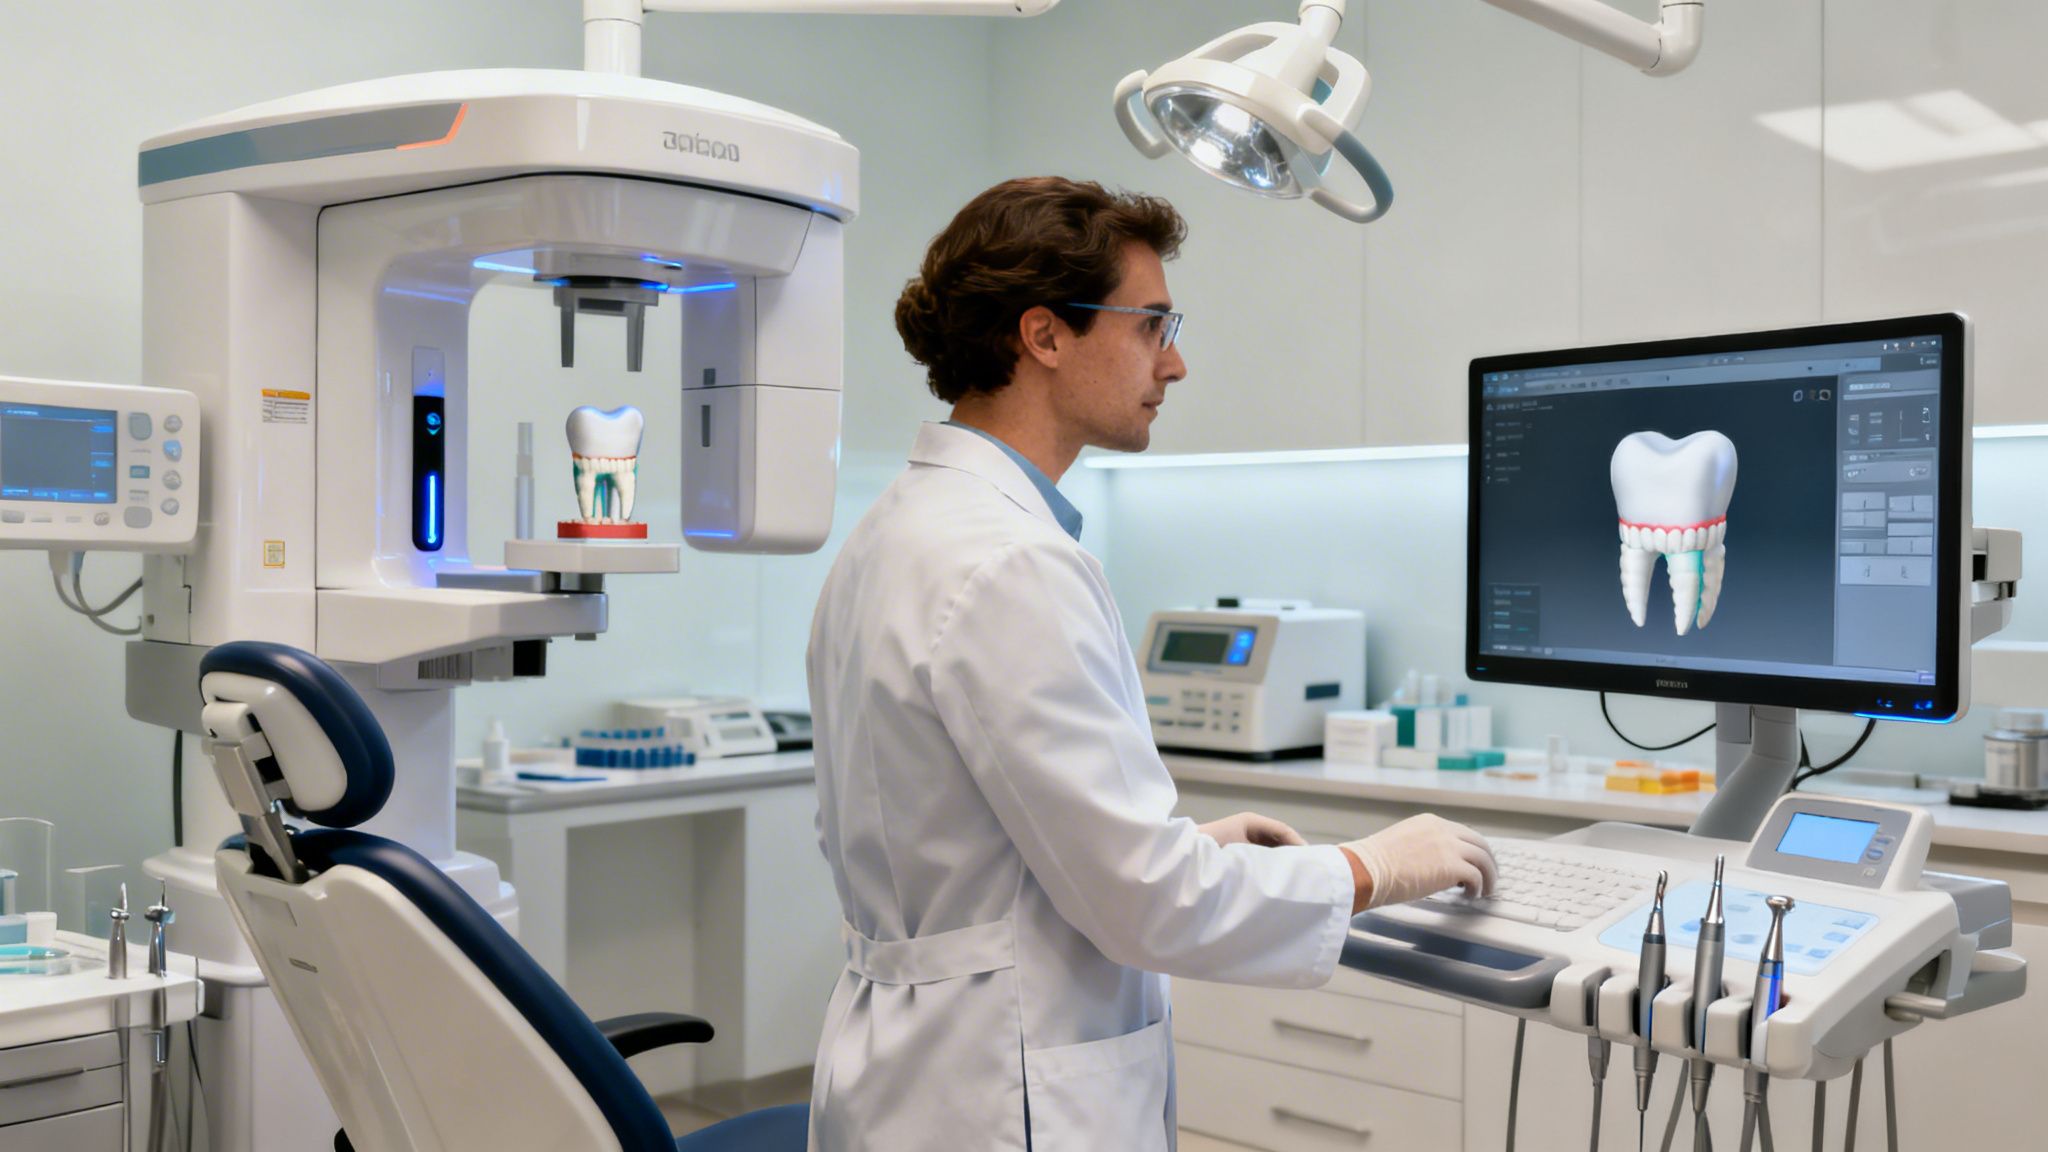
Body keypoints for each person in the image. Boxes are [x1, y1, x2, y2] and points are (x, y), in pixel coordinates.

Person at [805, 176, 1498, 1151]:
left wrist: (1183, 842)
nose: (1172, 365)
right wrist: (1370, 867)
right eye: (1150, 326)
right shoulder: (1013, 563)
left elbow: (938, 838)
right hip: (999, 1094)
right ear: (1043, 336)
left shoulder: (894, 533)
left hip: (907, 1072)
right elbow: (1151, 907)